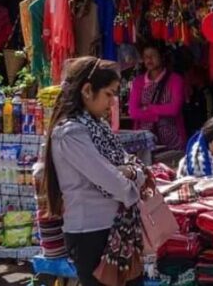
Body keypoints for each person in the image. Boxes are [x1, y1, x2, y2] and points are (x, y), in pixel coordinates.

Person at [38, 57, 148, 286]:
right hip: (92, 233)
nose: (112, 103)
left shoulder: (99, 127)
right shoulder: (70, 134)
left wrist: (128, 172)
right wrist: (129, 175)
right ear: (87, 90)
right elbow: (114, 182)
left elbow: (132, 166)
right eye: (109, 94)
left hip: (116, 229)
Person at [128, 41, 186, 150]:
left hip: (173, 142)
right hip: (144, 142)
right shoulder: (138, 82)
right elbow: (133, 112)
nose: (149, 60)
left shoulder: (175, 80)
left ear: (161, 57)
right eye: (146, 57)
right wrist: (158, 115)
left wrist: (148, 108)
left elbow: (174, 109)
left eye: (153, 56)